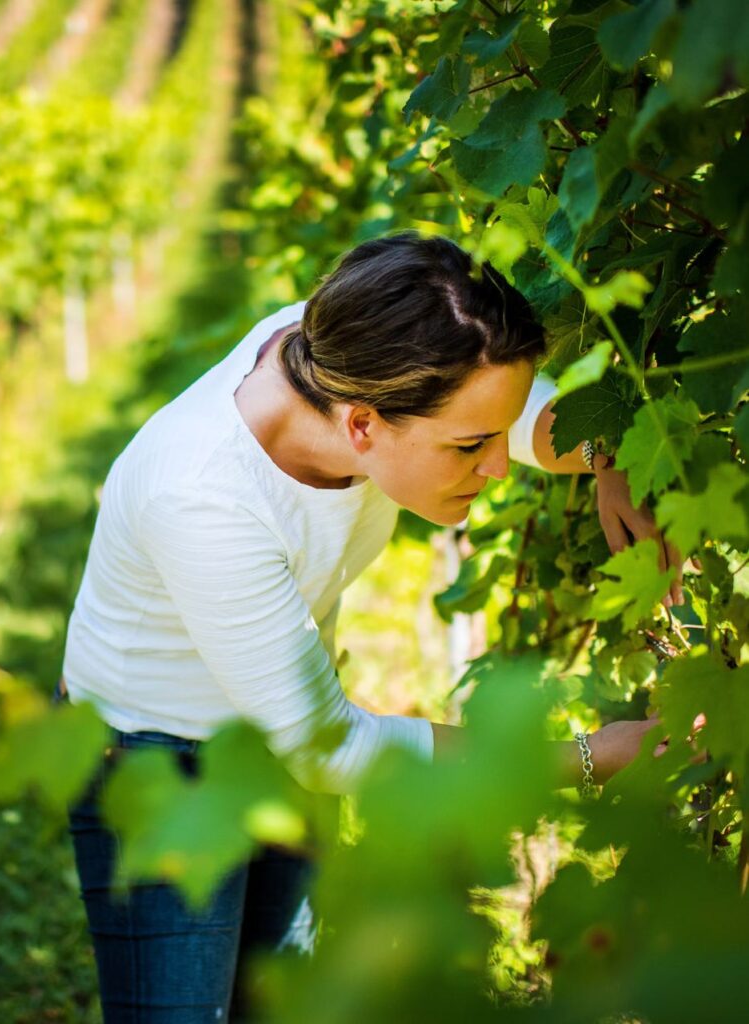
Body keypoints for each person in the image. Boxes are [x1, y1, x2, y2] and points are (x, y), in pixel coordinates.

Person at [56, 231, 679, 1022]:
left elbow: (509, 411)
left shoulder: (347, 354)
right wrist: (588, 759)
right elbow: (333, 745)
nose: (495, 468)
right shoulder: (202, 499)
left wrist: (608, 453)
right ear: (360, 428)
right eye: (468, 448)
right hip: (156, 757)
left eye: (492, 440)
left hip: (277, 718)